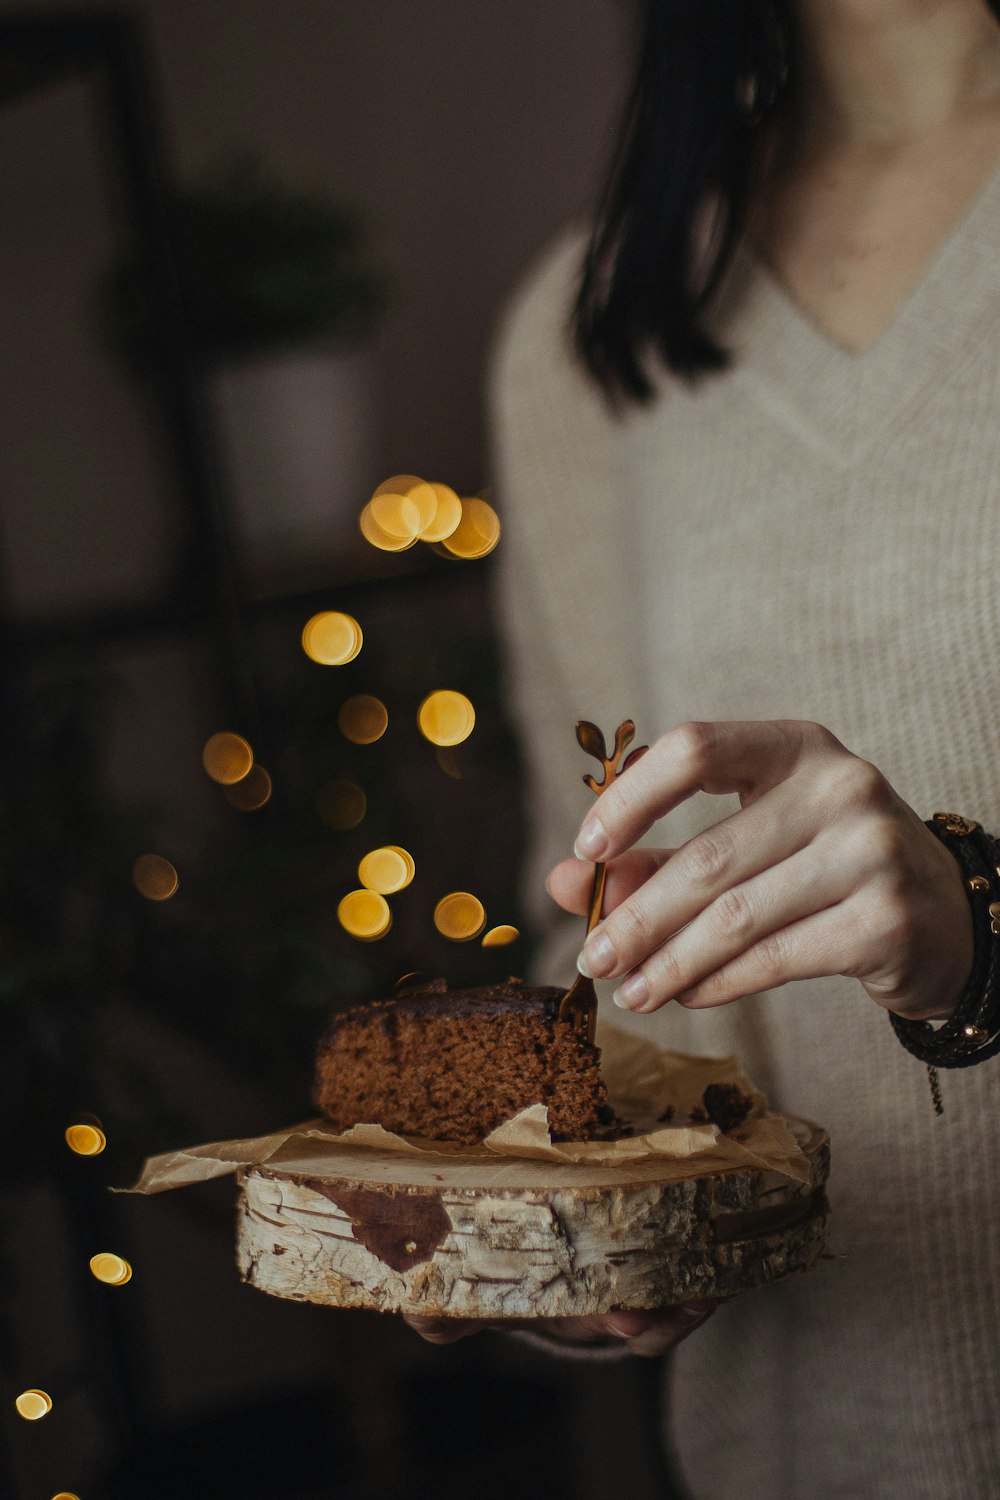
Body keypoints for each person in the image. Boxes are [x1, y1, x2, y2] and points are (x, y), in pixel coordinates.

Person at [409, 1, 1000, 1494]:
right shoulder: (587, 335)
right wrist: (579, 1233)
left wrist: (979, 934)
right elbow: (617, 963)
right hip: (810, 1449)